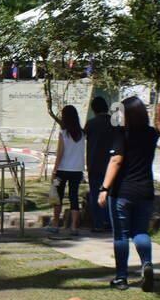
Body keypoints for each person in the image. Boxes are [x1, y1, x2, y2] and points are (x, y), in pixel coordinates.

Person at [99, 95, 160, 291]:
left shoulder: (122, 134)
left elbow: (116, 161)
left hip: (122, 191)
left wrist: (104, 188)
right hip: (145, 191)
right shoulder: (152, 134)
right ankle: (147, 264)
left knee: (121, 236)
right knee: (141, 232)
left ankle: (121, 277)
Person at [49, 105, 86, 235]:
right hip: (77, 170)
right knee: (74, 197)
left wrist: (54, 171)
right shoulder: (82, 134)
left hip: (63, 169)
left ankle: (55, 225)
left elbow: (60, 154)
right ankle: (74, 228)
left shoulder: (63, 134)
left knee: (58, 197)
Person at [83, 96, 114, 231]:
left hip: (94, 164)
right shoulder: (114, 123)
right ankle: (110, 221)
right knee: (110, 193)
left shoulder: (91, 124)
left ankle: (98, 223)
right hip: (111, 165)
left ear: (93, 109)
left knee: (96, 193)